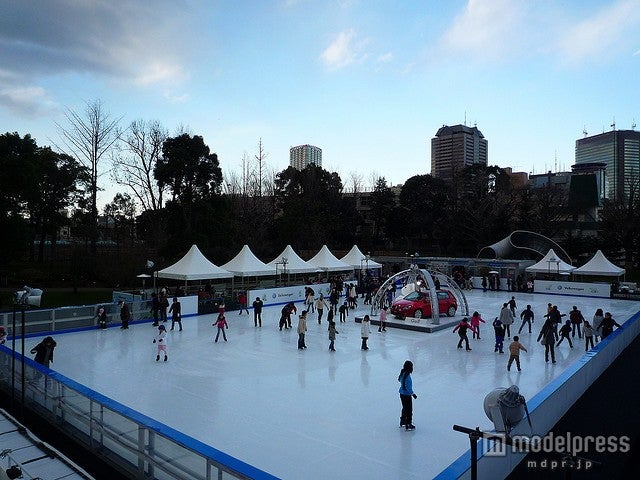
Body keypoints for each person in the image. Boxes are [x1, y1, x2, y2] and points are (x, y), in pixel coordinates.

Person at [398, 360, 418, 431]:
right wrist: (413, 394)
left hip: (402, 394)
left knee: (404, 408)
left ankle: (403, 421)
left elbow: (399, 380)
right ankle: (408, 423)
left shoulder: (402, 373)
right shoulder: (407, 376)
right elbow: (408, 387)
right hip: (406, 395)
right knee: (409, 409)